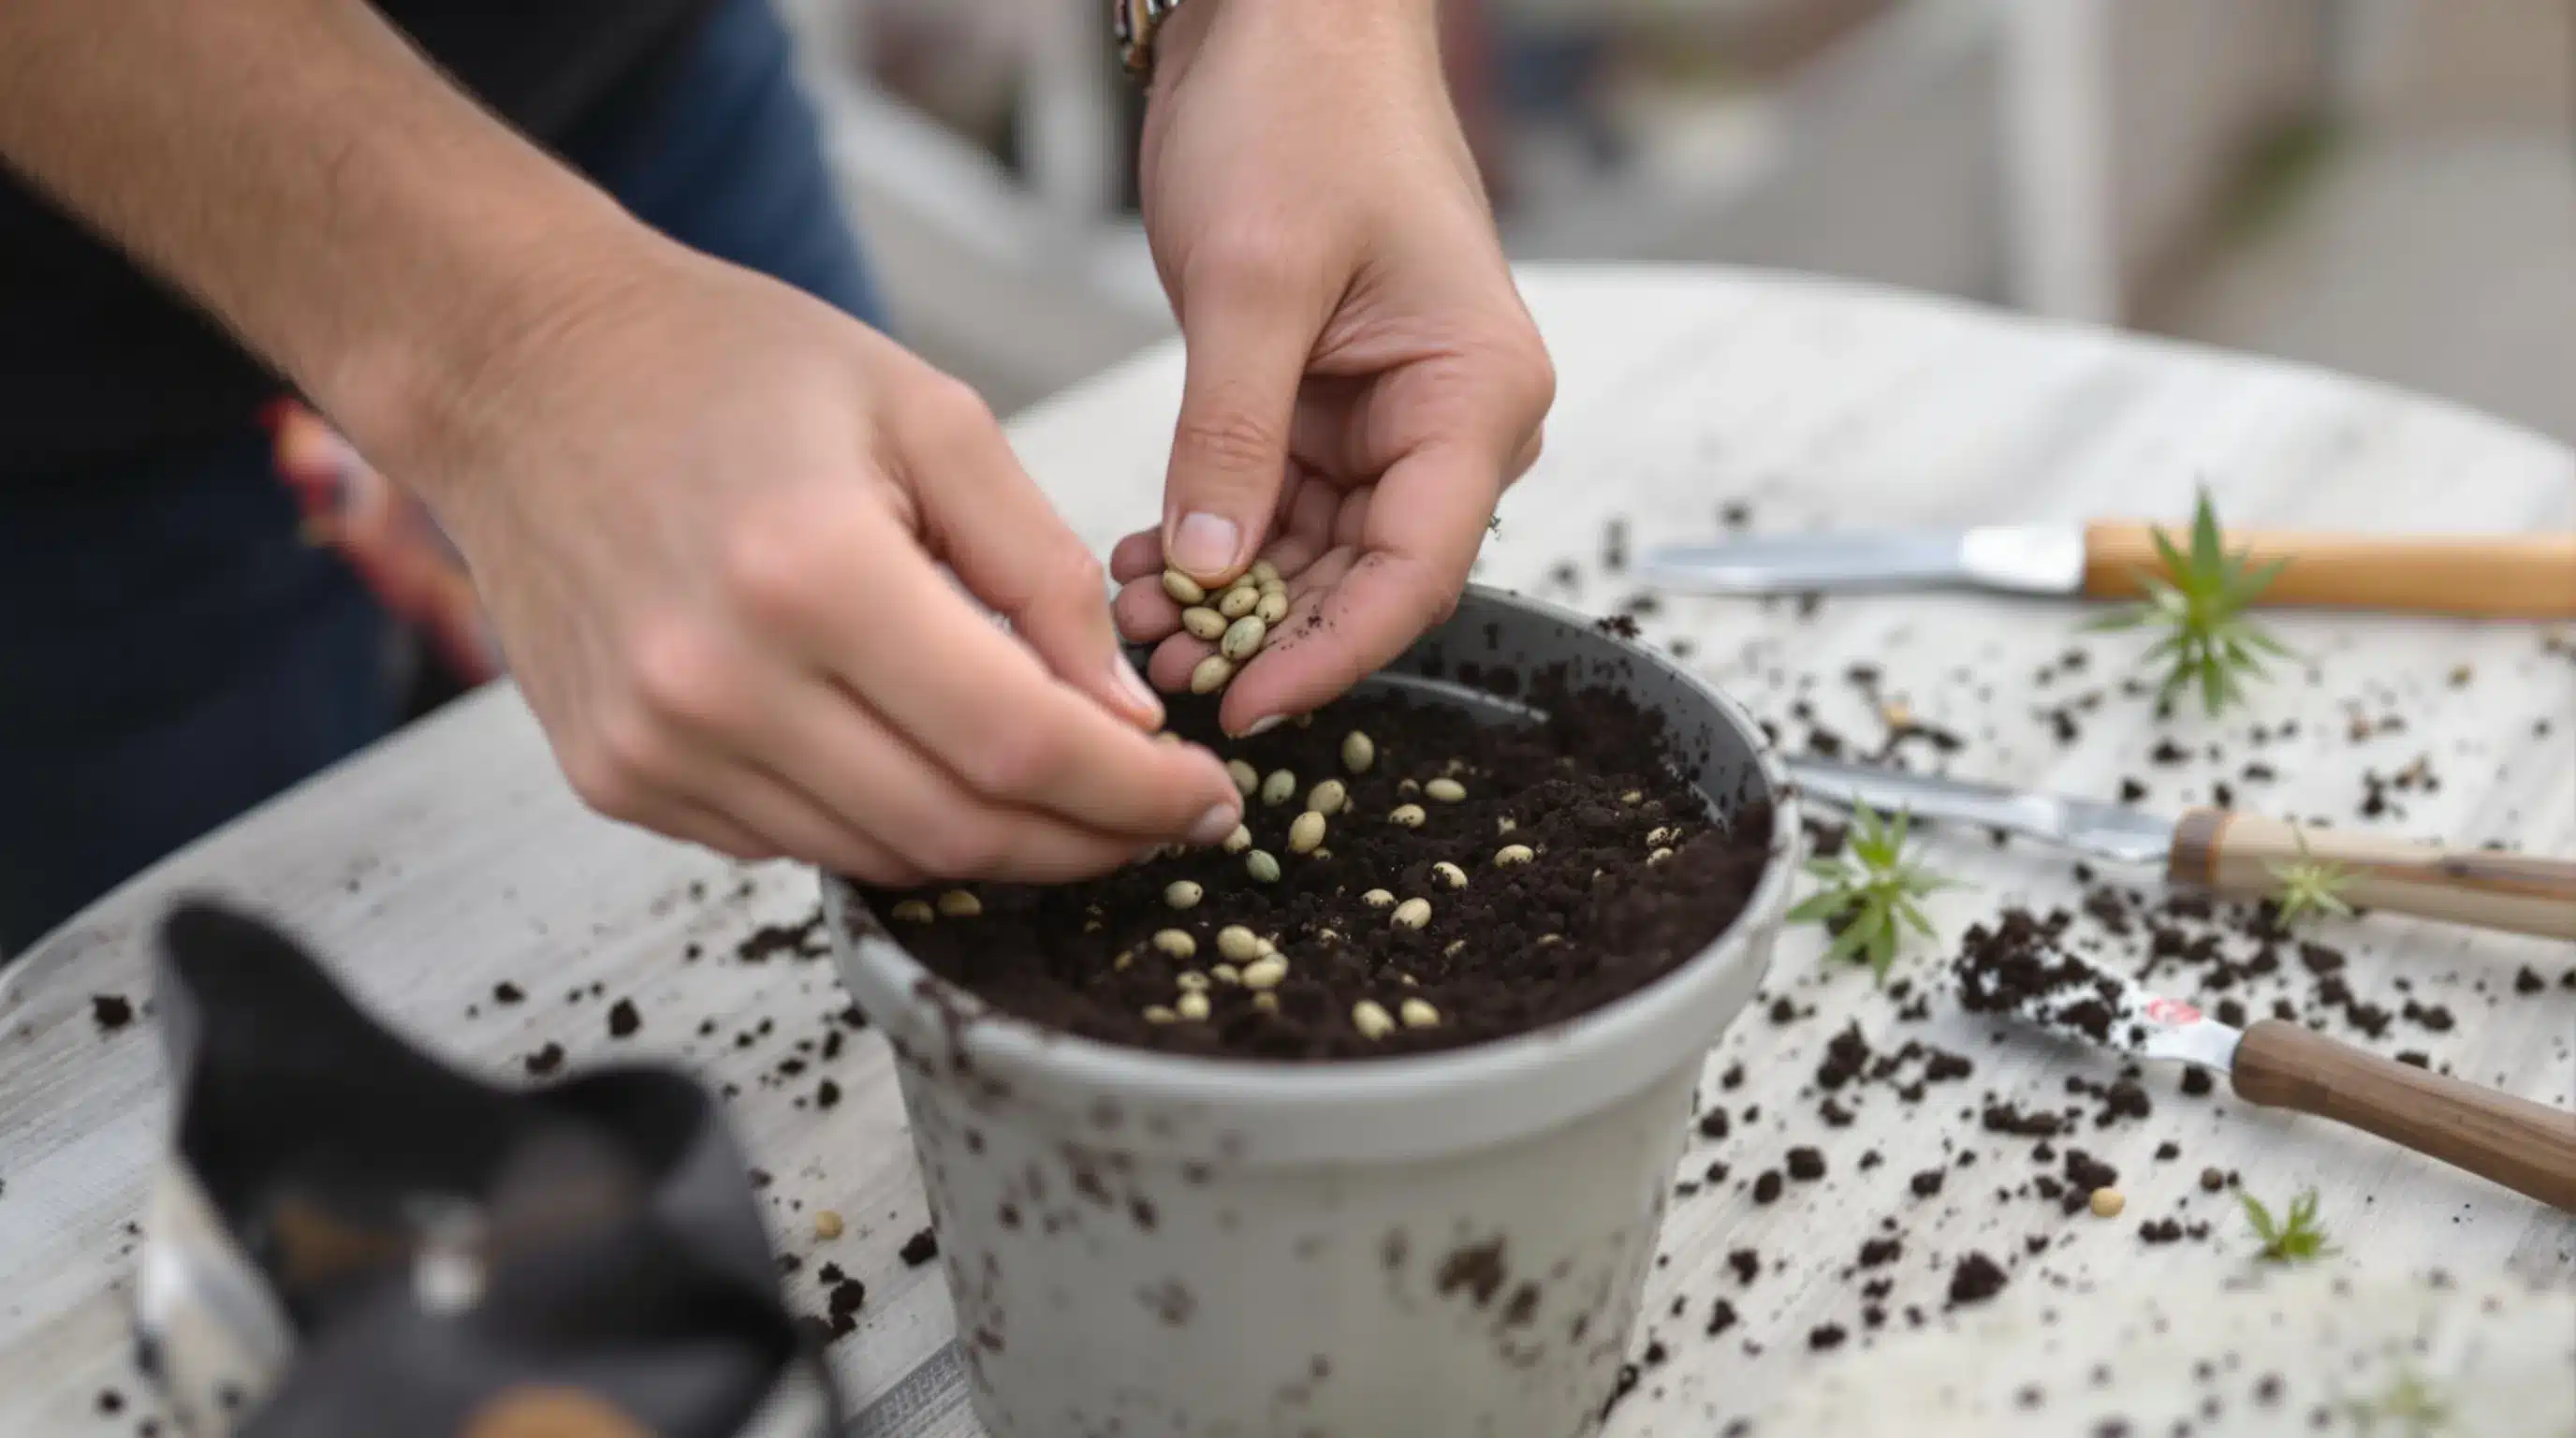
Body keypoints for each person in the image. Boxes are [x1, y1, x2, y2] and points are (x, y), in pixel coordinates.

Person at [0, 0, 1553, 952]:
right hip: (54, 368)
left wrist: (1300, 23)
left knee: (919, 766)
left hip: (622, 79)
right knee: (174, 1108)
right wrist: (513, 344)